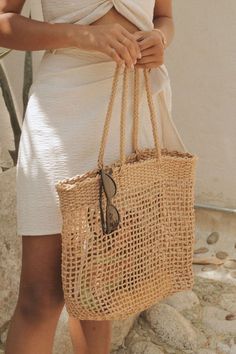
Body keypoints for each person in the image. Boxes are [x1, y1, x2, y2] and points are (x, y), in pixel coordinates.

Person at [0, 0, 186, 353]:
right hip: (62, 113)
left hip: (132, 109)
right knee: (40, 296)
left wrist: (160, 40)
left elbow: (164, 17)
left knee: (100, 293)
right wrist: (82, 36)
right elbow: (3, 23)